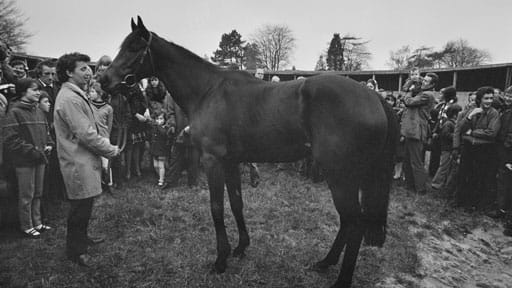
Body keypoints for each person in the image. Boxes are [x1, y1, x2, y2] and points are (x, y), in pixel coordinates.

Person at [54, 52, 120, 266]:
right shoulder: (71, 98)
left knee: (85, 204)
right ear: (68, 72)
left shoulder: (75, 94)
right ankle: (76, 251)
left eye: (88, 67)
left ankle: (82, 239)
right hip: (77, 161)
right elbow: (86, 134)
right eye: (82, 68)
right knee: (79, 208)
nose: (89, 72)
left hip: (83, 160)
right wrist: (110, 150)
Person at [3, 78, 53, 238]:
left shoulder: (38, 111)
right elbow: (11, 139)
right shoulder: (14, 112)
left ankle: (37, 222)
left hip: (40, 158)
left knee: (38, 192)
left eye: (39, 90)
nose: (38, 92)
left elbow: (46, 132)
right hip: (24, 161)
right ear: (23, 92)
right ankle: (26, 225)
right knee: (26, 194)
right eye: (34, 90)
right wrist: (32, 151)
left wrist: (49, 144)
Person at [453, 86, 500, 210]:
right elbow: (461, 128)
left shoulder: (494, 114)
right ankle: (459, 199)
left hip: (483, 149)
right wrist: (469, 117)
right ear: (480, 99)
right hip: (468, 147)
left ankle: (471, 203)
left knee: (477, 176)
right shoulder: (472, 110)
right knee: (463, 173)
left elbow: (491, 133)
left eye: (491, 98)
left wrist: (473, 132)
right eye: (486, 98)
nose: (489, 101)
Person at [401, 72, 438, 194]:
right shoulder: (423, 92)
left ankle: (420, 189)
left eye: (426, 81)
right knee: (408, 159)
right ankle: (411, 185)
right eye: (424, 80)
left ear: (432, 84)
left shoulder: (427, 95)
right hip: (411, 130)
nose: (423, 82)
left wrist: (410, 91)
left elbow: (409, 102)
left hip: (416, 131)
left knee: (416, 161)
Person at [490, 86, 512, 223]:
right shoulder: (506, 110)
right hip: (502, 150)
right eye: (508, 95)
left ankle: (502, 209)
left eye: (511, 97)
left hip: (507, 152)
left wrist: (506, 152)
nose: (509, 98)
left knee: (504, 180)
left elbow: (510, 135)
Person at [89, 81, 113, 192]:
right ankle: (96, 185)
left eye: (92, 91)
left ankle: (108, 183)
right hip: (92, 137)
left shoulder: (108, 108)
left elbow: (109, 125)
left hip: (104, 137)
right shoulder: (88, 105)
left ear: (99, 93)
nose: (90, 94)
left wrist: (106, 136)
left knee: (105, 163)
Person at [431, 104, 462, 192]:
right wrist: (456, 136)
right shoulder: (449, 123)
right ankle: (436, 183)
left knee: (447, 166)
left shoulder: (452, 123)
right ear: (455, 114)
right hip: (447, 148)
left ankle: (442, 183)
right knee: (444, 166)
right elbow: (445, 134)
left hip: (449, 148)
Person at [429, 86, 458, 176]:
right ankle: (433, 172)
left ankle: (440, 175)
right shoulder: (442, 105)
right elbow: (439, 119)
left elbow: (446, 120)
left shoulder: (452, 106)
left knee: (444, 157)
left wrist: (441, 131)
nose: (440, 95)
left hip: (445, 133)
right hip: (439, 132)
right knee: (435, 153)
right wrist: (435, 131)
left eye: (442, 93)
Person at [149, 112, 170, 188]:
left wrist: (158, 126)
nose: (159, 120)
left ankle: (161, 180)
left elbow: (164, 134)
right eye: (157, 119)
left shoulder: (165, 128)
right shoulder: (155, 127)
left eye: (161, 119)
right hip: (155, 149)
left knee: (161, 165)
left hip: (161, 149)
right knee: (155, 165)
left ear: (165, 120)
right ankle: (161, 176)